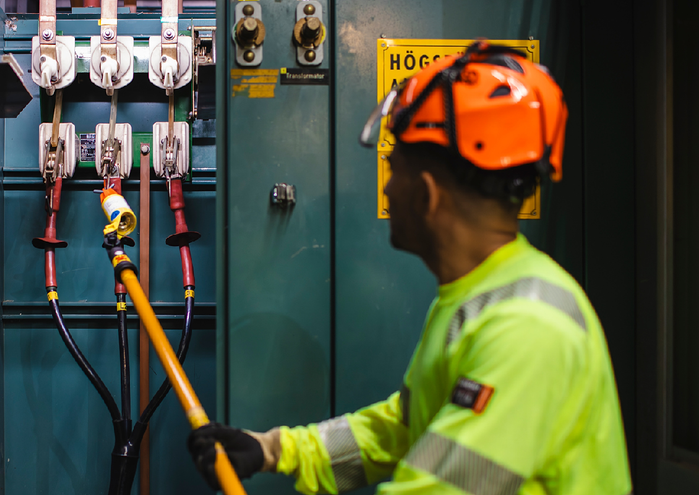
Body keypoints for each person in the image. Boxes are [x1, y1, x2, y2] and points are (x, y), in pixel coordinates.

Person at [187, 41, 631, 495]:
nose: (385, 191)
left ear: (427, 194)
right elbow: (404, 427)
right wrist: (273, 450)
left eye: (392, 169)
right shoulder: (479, 297)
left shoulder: (527, 329)